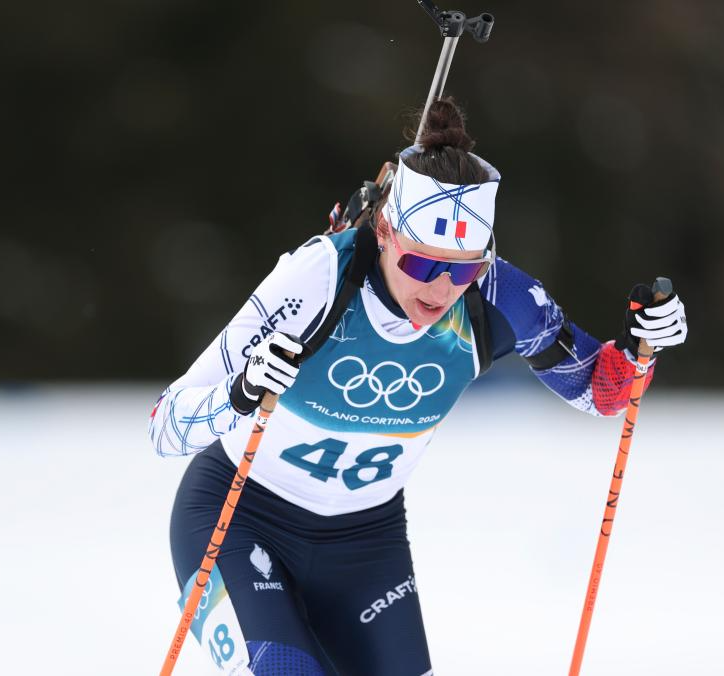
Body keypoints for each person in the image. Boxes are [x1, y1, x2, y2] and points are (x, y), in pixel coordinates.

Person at [149, 98, 688, 675]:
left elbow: (603, 391)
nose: (441, 289)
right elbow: (164, 424)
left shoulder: (496, 297)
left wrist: (644, 346)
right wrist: (239, 394)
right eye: (422, 265)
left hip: (366, 543)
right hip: (240, 520)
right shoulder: (318, 279)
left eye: (463, 269)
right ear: (385, 231)